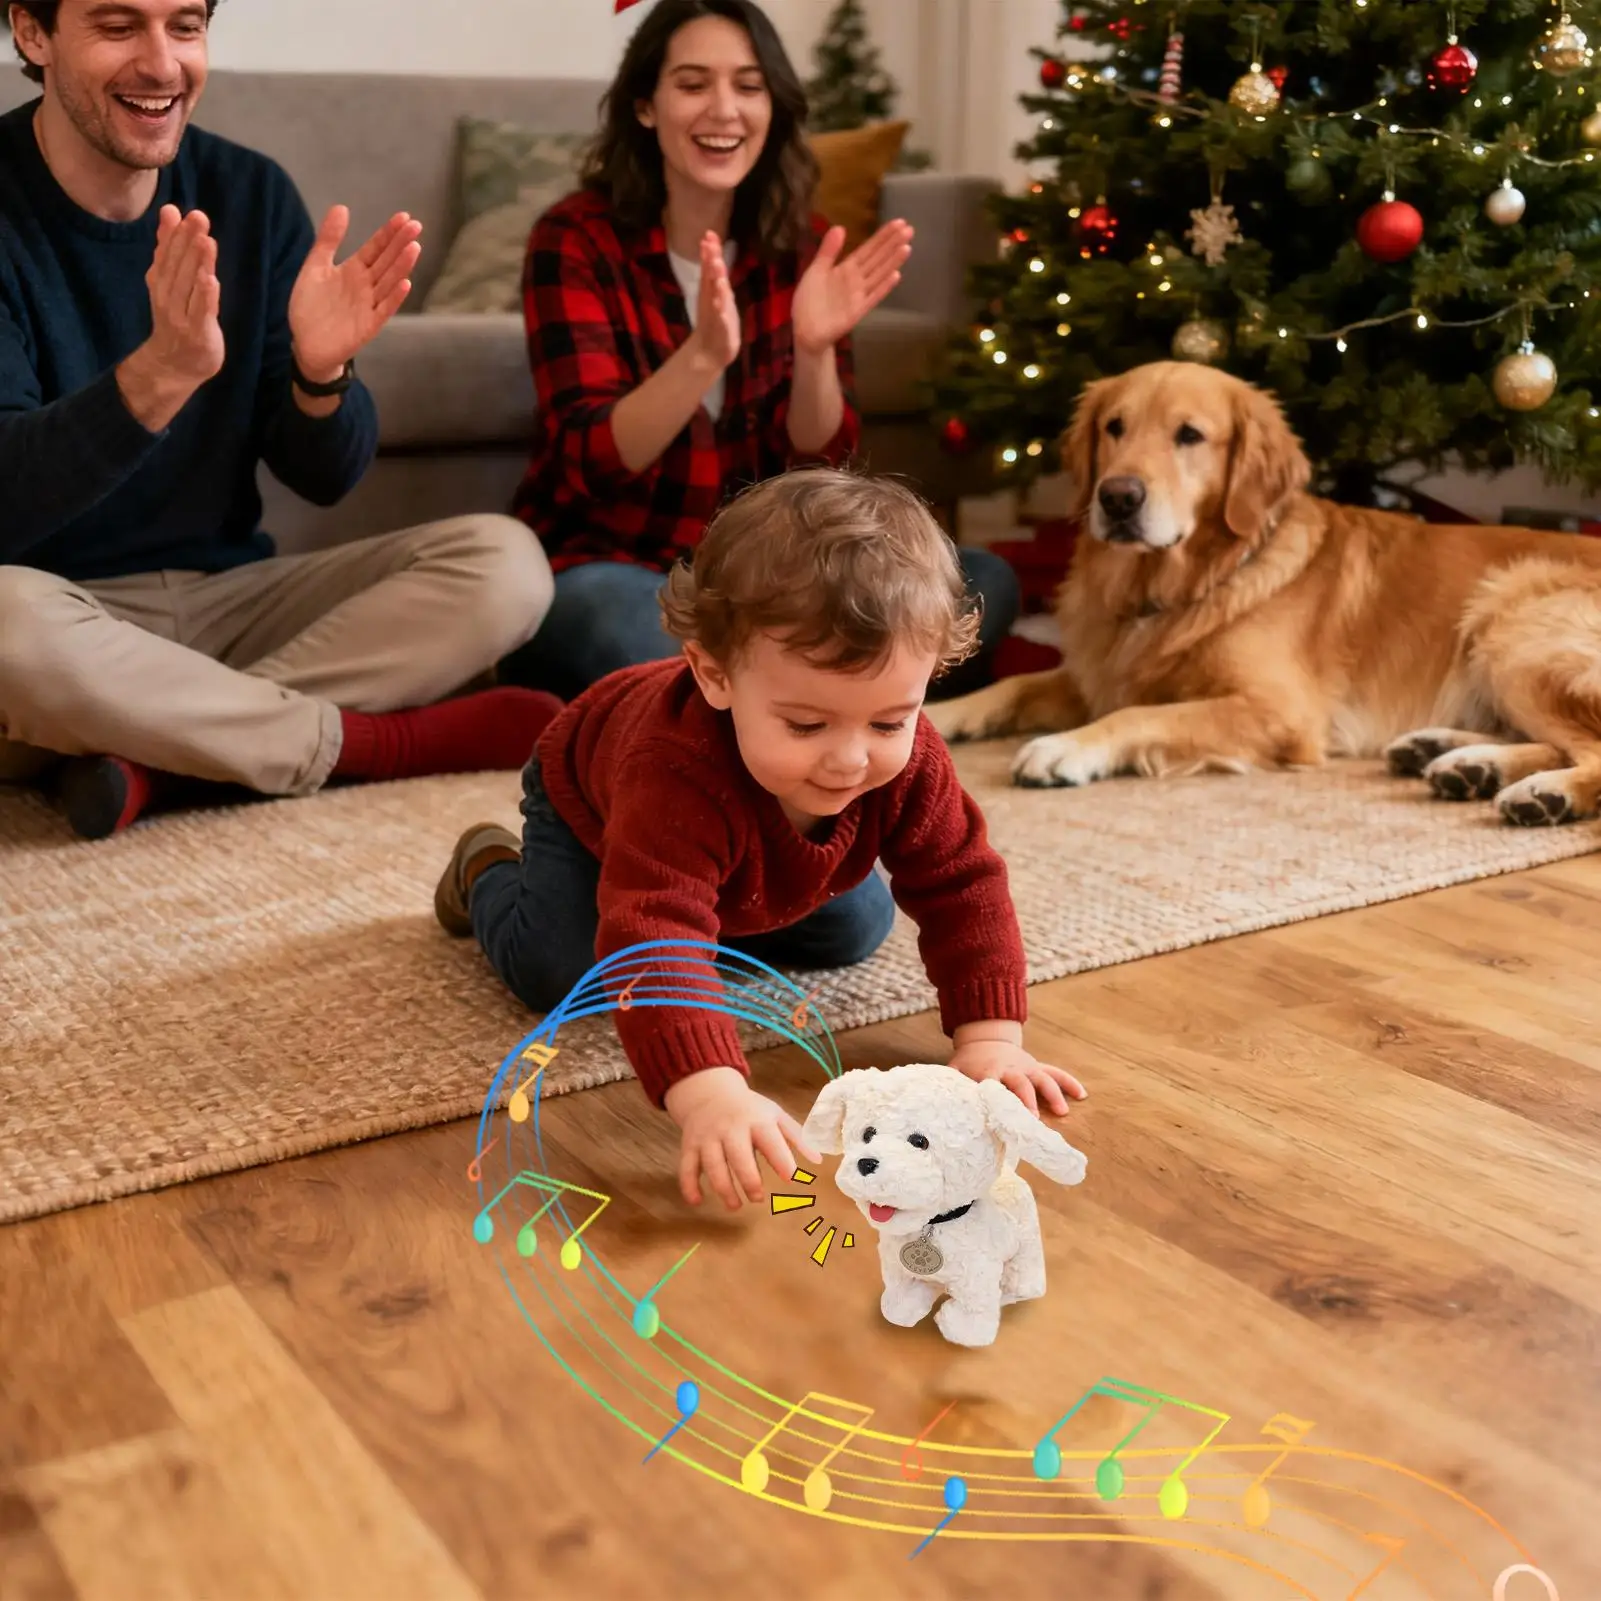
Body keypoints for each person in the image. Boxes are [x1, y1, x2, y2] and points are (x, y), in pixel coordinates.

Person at [435, 470, 1084, 1213]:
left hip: (743, 850)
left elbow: (961, 881)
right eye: (806, 724)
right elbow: (654, 932)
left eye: (886, 722)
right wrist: (710, 1090)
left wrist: (991, 1040)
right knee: (561, 970)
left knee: (854, 926)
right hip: (590, 803)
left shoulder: (909, 759)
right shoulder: (670, 767)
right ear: (713, 674)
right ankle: (485, 864)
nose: (850, 757)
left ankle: (731, 897)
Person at [0, 0, 559, 840]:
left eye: (185, 26)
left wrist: (320, 373)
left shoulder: (249, 193)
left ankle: (159, 751)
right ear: (32, 33)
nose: (162, 64)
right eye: (119, 27)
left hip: (229, 603)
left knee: (505, 563)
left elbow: (324, 475)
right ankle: (366, 744)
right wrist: (156, 378)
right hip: (56, 622)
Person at [496, 0, 1019, 701]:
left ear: (772, 108)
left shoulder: (800, 242)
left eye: (748, 86)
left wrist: (814, 350)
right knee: (618, 624)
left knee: (980, 583)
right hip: (616, 566)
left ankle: (775, 697)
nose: (723, 110)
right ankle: (821, 695)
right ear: (646, 106)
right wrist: (702, 358)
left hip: (770, 581)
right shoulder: (574, 238)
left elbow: (820, 468)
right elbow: (591, 460)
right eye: (691, 84)